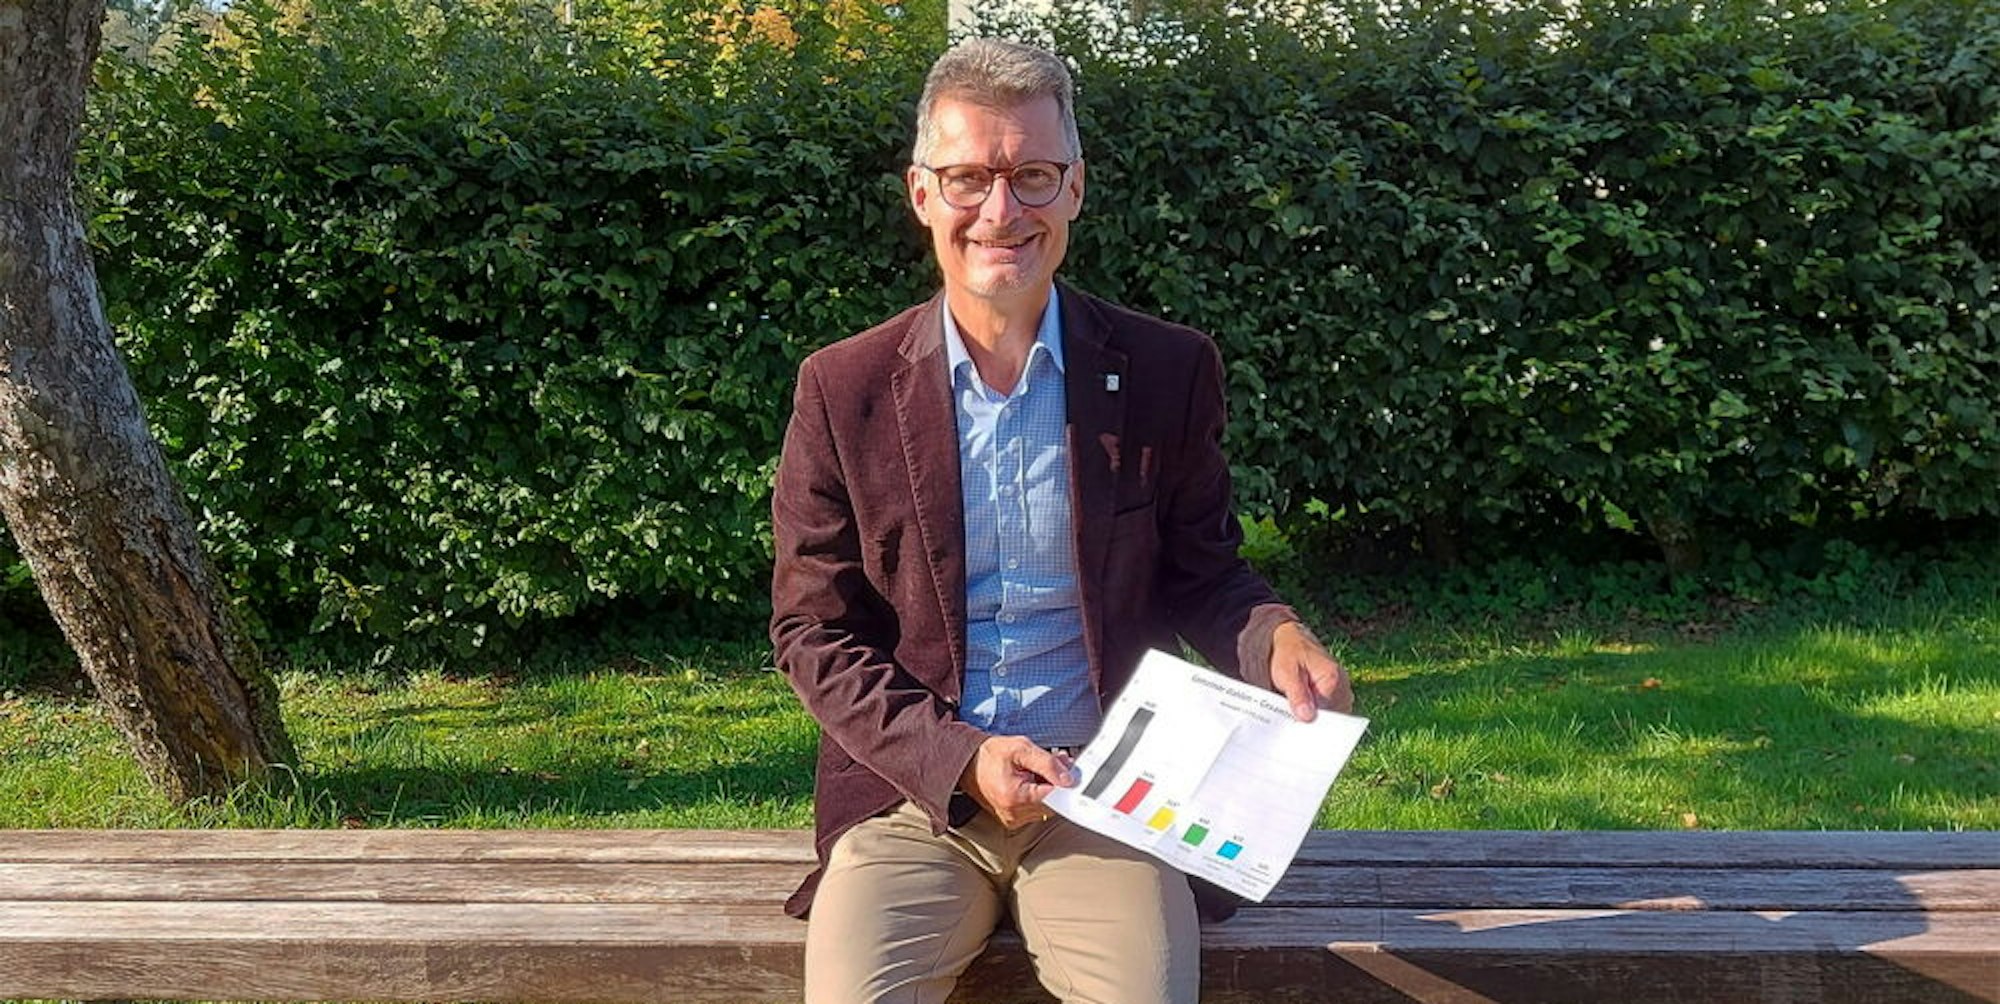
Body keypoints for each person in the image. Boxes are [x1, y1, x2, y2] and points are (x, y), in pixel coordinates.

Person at [769, 37, 1353, 1004]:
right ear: (922, 194)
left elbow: (1206, 572)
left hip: (1109, 794)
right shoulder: (844, 390)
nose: (1001, 211)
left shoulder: (1166, 371)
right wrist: (961, 760)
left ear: (1074, 188)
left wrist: (1276, 636)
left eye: (1032, 176)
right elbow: (813, 632)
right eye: (968, 178)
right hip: (918, 798)